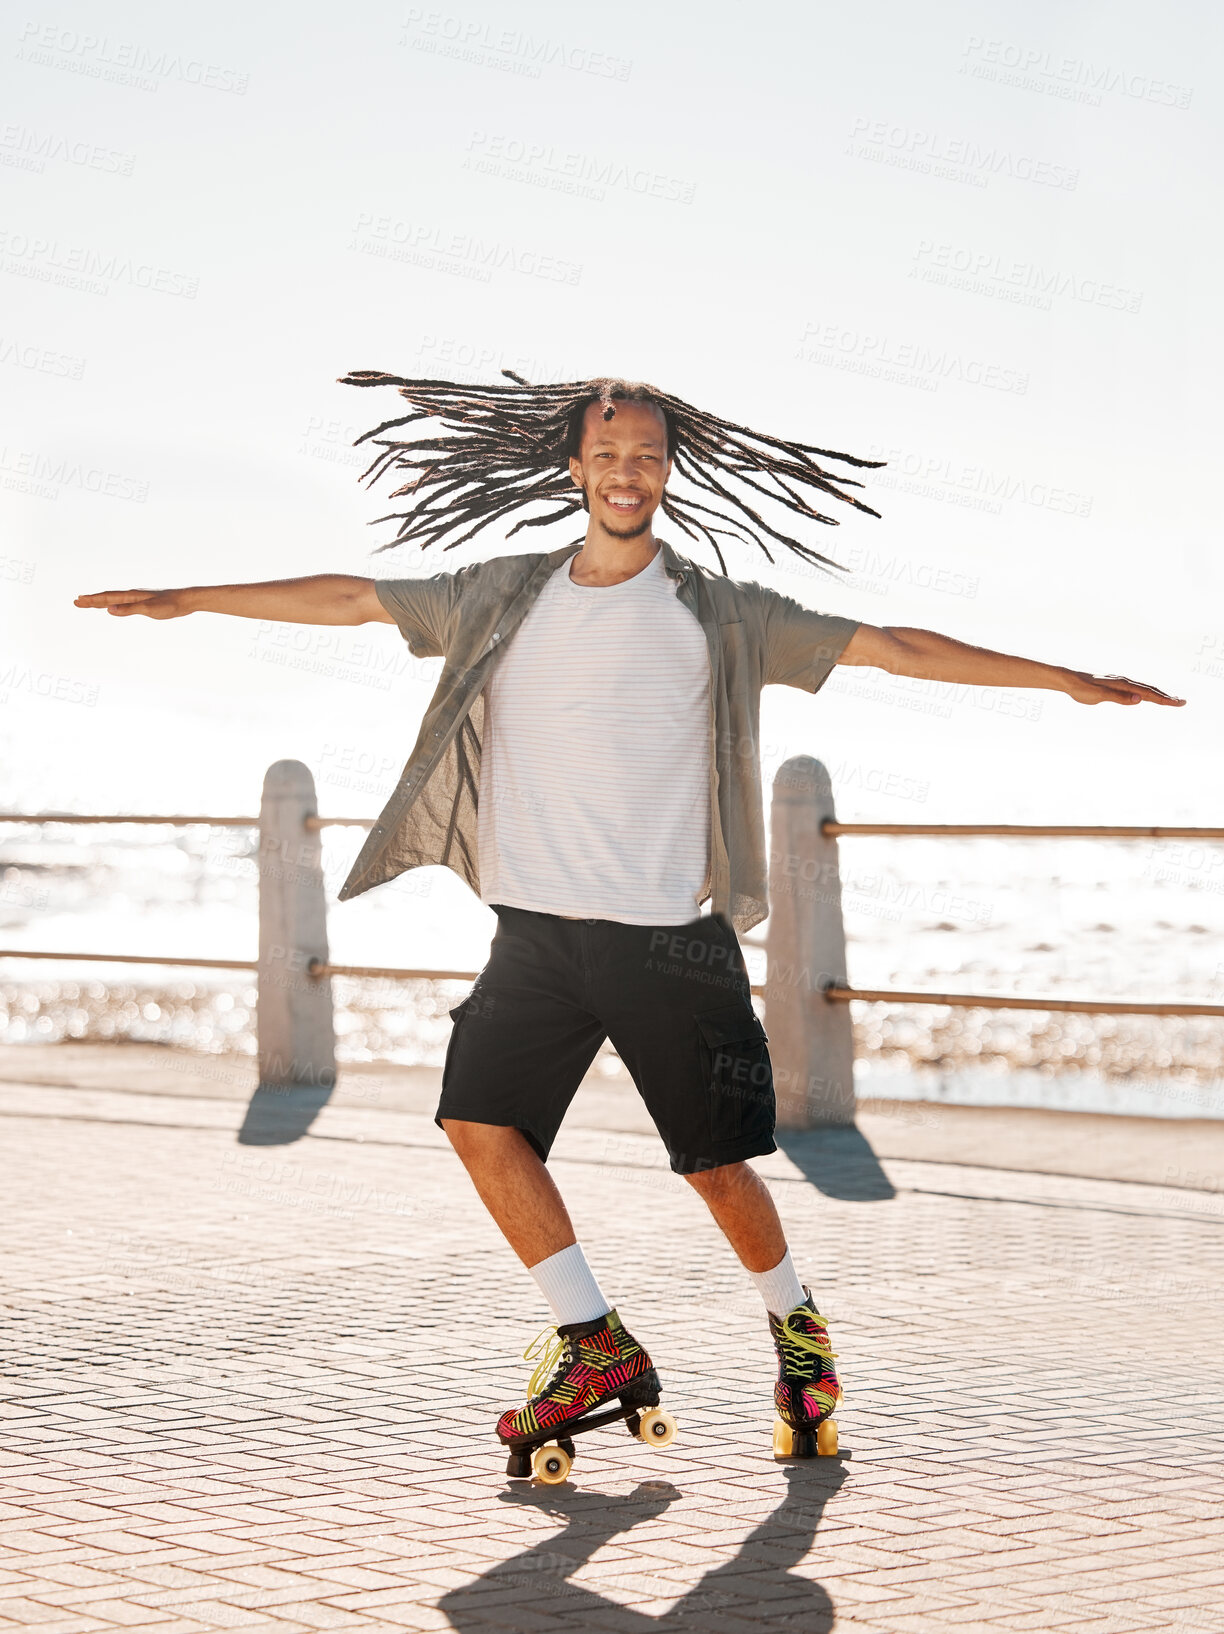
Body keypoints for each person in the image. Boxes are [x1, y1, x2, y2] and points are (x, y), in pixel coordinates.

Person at [76, 373, 1183, 1476]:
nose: (626, 471)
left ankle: (798, 1330)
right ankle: (595, 1340)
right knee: (476, 1122)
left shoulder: (721, 611)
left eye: (646, 454)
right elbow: (353, 597)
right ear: (573, 467)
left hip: (667, 938)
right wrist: (191, 597)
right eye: (608, 454)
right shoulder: (500, 592)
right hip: (537, 937)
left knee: (714, 1163)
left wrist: (1066, 681)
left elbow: (896, 645)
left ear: (668, 470)